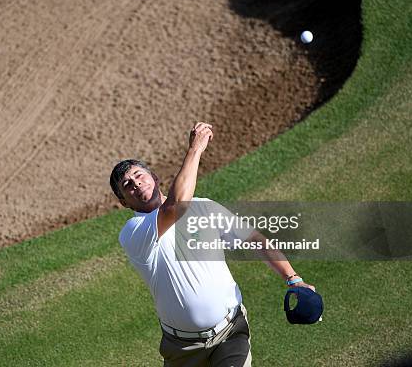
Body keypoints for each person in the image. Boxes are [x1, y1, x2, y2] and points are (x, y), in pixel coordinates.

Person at [110, 122, 315, 367]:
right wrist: (195, 149)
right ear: (124, 203)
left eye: (139, 175)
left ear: (154, 178)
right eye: (127, 186)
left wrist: (293, 278)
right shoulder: (134, 232)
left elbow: (255, 241)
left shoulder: (204, 207)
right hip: (182, 349)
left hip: (231, 332)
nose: (136, 184)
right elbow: (174, 207)